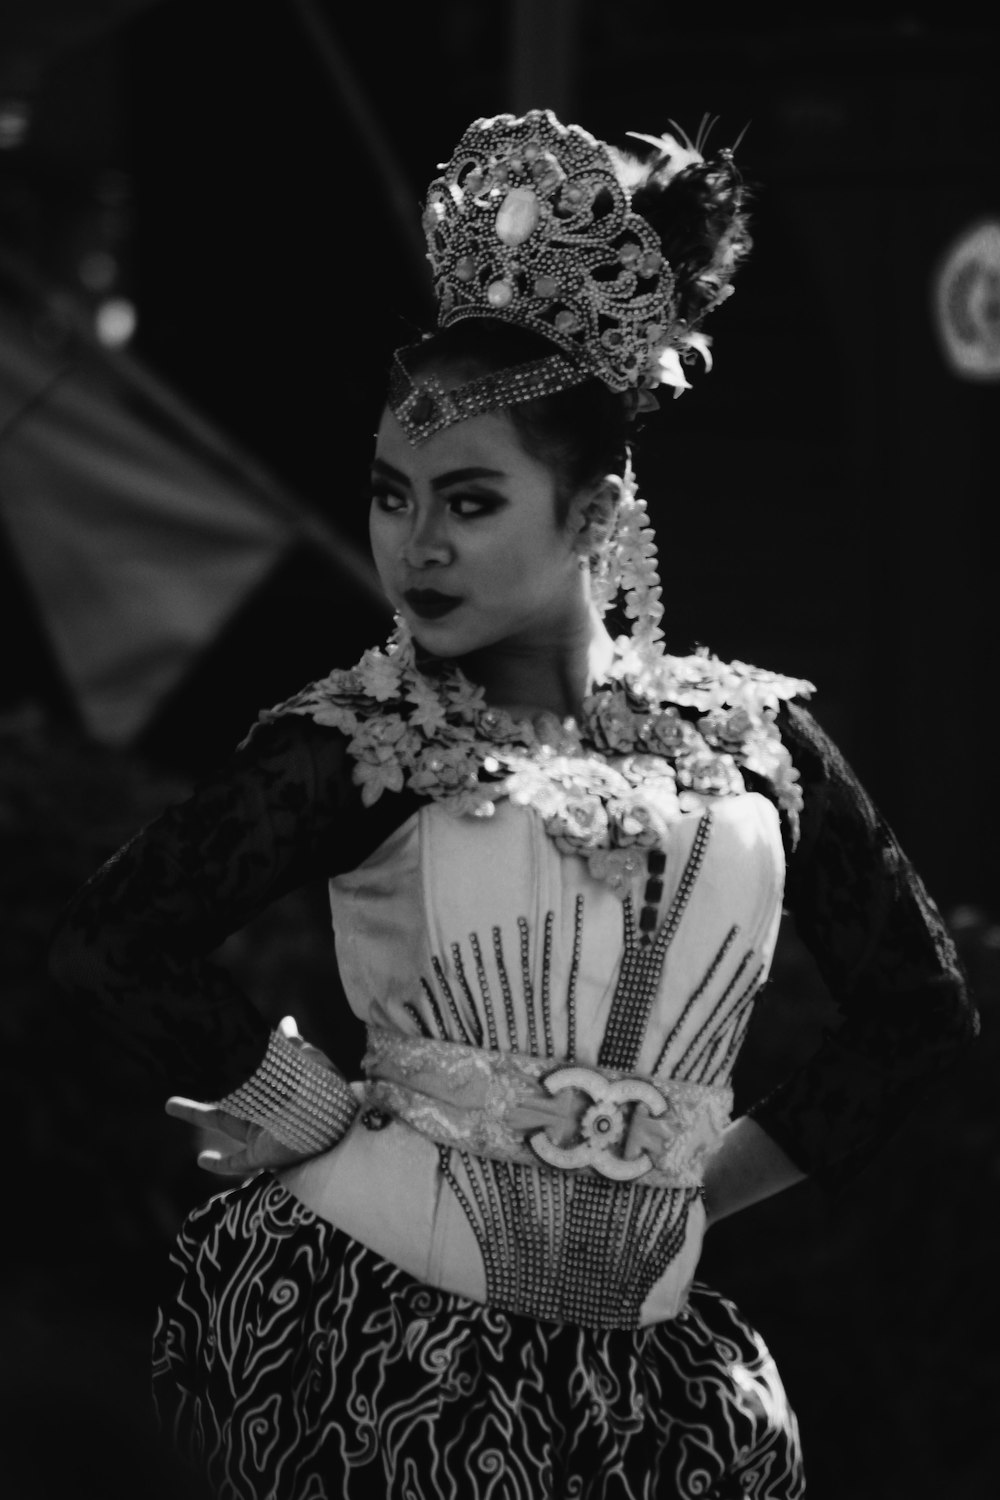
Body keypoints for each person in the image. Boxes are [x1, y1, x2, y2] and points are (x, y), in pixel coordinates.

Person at [50, 108, 975, 1500]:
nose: (414, 543)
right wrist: (310, 1113)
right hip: (362, 1350)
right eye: (390, 493)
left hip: (648, 1399)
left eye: (468, 501)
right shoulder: (364, 734)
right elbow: (113, 942)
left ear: (594, 518)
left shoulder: (757, 743)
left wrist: (686, 1195)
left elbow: (918, 1015)